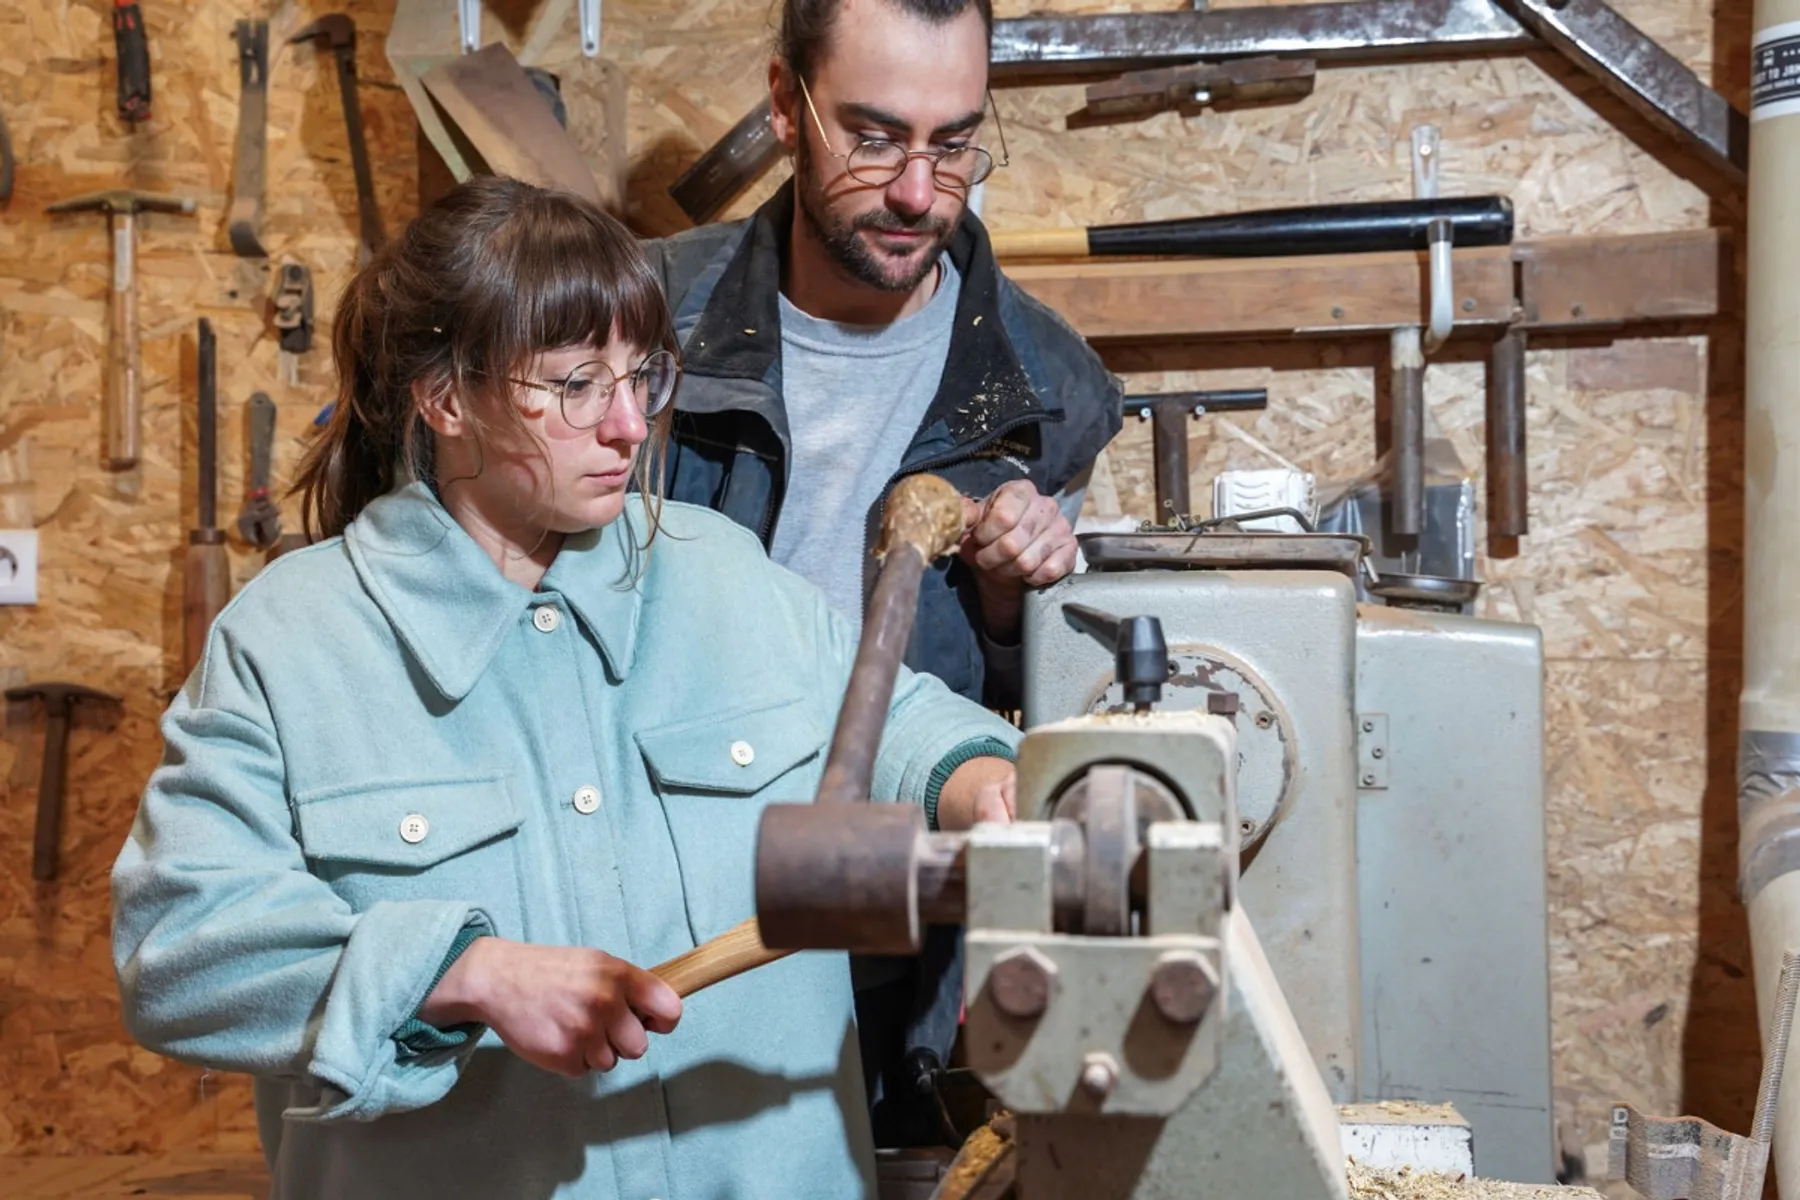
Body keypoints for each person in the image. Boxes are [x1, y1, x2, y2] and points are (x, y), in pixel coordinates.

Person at [110, 177, 1021, 1200]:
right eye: (579, 385)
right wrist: (465, 977)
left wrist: (985, 782)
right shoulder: (290, 644)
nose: (631, 425)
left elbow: (895, 719)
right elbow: (178, 950)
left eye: (644, 376)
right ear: (446, 397)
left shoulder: (720, 573)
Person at [645, 0, 1123, 1145]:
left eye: (952, 142)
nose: (918, 191)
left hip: (895, 949)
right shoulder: (637, 322)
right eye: (872, 136)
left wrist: (1016, 601)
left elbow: (1024, 698)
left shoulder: (1049, 384)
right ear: (782, 107)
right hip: (659, 907)